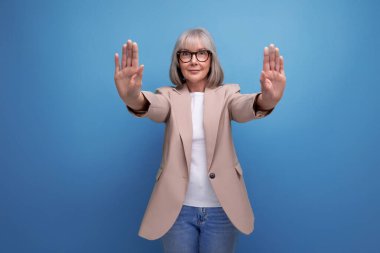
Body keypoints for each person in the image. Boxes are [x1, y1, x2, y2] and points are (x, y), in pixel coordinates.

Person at [113, 28, 286, 253]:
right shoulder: (168, 96)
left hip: (221, 210)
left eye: (201, 53)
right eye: (185, 54)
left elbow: (244, 107)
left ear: (211, 59)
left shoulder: (227, 95)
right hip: (177, 211)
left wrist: (267, 100)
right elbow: (154, 106)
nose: (194, 61)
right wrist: (132, 97)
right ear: (178, 61)